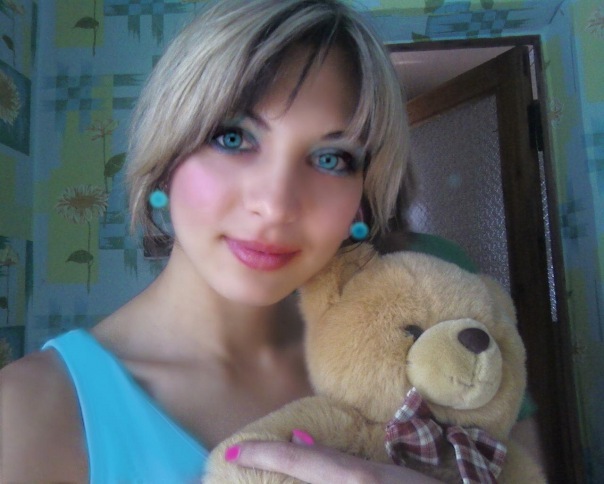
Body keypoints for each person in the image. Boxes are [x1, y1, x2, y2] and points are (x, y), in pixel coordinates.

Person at [0, 1, 542, 482]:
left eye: (332, 158)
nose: (278, 205)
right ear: (165, 160)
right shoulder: (27, 415)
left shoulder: (424, 344)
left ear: (360, 201)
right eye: (232, 137)